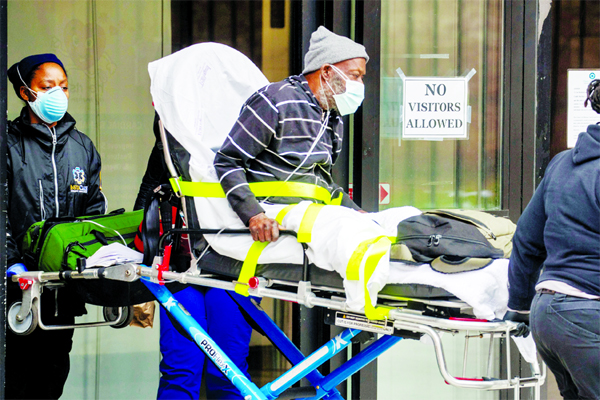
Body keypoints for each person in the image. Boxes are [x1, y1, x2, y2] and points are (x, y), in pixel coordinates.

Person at [5, 53, 107, 399]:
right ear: (25, 93)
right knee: (15, 377)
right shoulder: (8, 144)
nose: (58, 94)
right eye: (47, 87)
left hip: (64, 288)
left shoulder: (81, 147)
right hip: (16, 288)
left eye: (63, 87)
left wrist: (89, 261)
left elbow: (94, 210)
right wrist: (10, 262)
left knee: (53, 376)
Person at [134, 114, 254, 400]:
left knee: (229, 372)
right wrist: (139, 262)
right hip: (178, 267)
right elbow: (146, 198)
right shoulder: (169, 140)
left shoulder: (244, 137)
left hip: (231, 269)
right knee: (179, 370)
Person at [214, 26, 367, 243]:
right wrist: (254, 215)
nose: (360, 85)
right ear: (326, 72)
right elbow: (228, 161)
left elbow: (323, 183)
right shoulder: (276, 101)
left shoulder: (332, 117)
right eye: (355, 76)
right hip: (274, 212)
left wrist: (358, 213)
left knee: (386, 223)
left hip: (315, 213)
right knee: (349, 237)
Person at [505, 79, 600, 399]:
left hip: (548, 316)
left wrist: (518, 307)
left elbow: (527, 241)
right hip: (588, 315)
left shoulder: (563, 163)